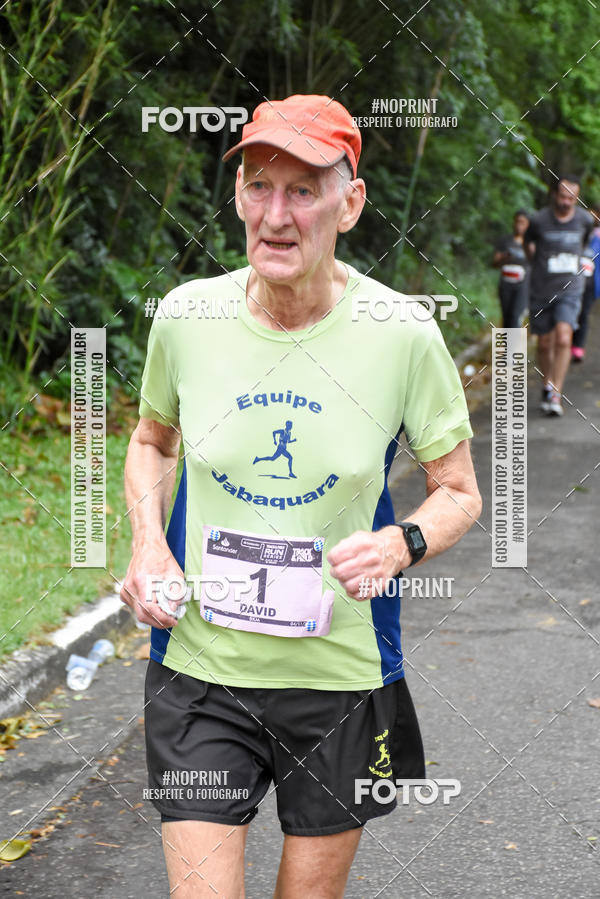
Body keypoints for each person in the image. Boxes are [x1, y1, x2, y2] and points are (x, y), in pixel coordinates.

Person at [120, 94, 482, 899]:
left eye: (303, 190)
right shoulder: (188, 316)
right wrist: (149, 544)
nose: (274, 215)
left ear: (349, 204)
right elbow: (152, 441)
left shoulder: (402, 334)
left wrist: (401, 543)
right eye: (257, 186)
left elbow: (458, 491)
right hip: (202, 670)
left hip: (339, 679)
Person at [525, 176, 594, 416]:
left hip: (570, 288)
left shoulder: (584, 220)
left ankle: (556, 391)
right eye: (563, 197)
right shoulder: (538, 220)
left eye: (572, 198)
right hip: (542, 288)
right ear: (555, 195)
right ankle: (546, 383)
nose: (566, 202)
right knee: (544, 343)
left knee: (564, 337)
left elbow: (584, 242)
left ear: (577, 197)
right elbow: (528, 243)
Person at [492, 209, 530, 328]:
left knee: (515, 316)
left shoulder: (531, 243)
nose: (519, 225)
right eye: (517, 222)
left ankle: (514, 347)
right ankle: (504, 346)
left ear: (528, 224)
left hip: (523, 285)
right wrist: (504, 257)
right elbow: (494, 263)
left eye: (522, 222)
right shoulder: (505, 240)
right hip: (505, 284)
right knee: (506, 317)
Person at [572, 205, 600, 362]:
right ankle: (568, 342)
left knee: (583, 313)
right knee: (571, 312)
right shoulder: (576, 234)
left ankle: (578, 346)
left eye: (594, 216)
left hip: (590, 284)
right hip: (571, 282)